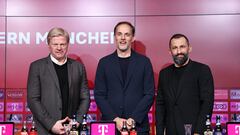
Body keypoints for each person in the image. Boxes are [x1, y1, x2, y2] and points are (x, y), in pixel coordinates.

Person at [94, 21, 155, 135]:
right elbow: (99, 95)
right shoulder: (104, 63)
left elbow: (149, 94)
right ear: (114, 37)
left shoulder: (144, 62)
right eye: (119, 34)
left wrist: (133, 119)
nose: (123, 38)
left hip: (138, 127)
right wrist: (115, 119)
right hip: (110, 126)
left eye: (127, 34)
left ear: (132, 38)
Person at [27, 27, 90, 135]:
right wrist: (51, 124)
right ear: (49, 45)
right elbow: (33, 100)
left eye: (62, 44)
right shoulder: (37, 67)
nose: (59, 48)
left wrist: (77, 121)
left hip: (72, 129)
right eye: (55, 44)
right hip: (46, 130)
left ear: (67, 45)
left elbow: (85, 97)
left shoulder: (78, 67)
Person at [155, 33, 214, 135]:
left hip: (193, 130)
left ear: (189, 48)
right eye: (175, 48)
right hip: (171, 130)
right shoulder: (164, 74)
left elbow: (207, 104)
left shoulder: (202, 70)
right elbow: (160, 105)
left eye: (182, 47)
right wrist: (160, 132)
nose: (179, 51)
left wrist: (198, 131)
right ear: (170, 51)